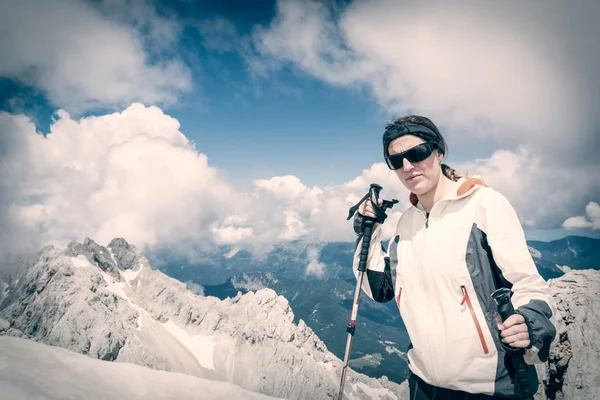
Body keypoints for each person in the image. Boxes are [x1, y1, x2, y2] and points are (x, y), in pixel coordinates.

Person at [352, 115, 558, 399]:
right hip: (424, 383)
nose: (407, 167)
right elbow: (379, 289)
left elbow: (528, 283)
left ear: (438, 152)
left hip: (493, 386)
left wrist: (529, 323)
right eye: (396, 160)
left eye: (417, 153)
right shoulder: (404, 225)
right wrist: (368, 232)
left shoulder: (484, 204)